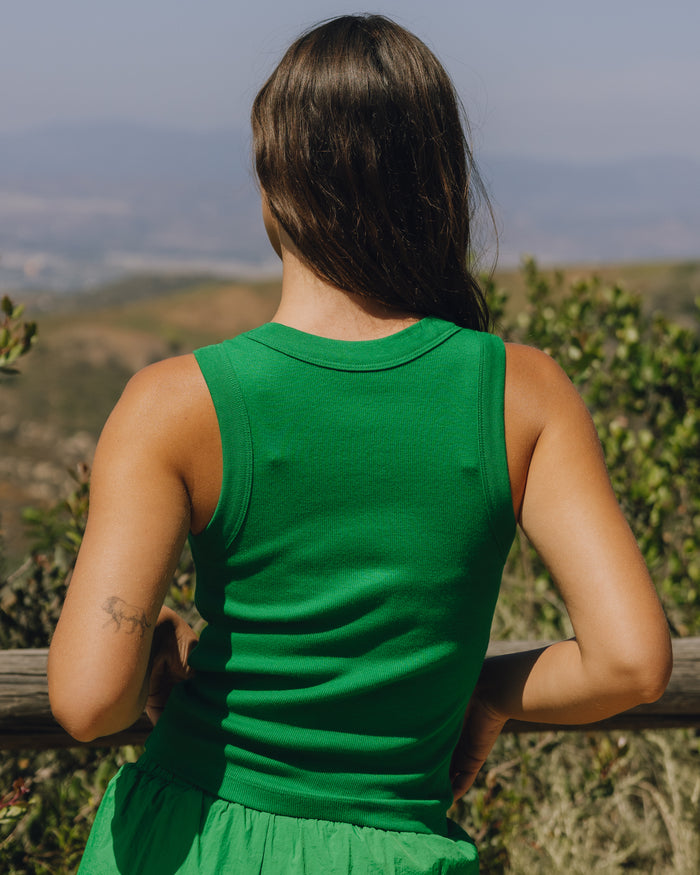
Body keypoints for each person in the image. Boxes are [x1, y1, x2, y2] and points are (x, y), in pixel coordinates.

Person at [48, 14, 672, 874]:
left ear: (272, 184)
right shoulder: (524, 395)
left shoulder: (172, 403)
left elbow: (88, 703)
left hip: (188, 838)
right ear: (439, 182)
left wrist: (149, 633)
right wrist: (490, 690)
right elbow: (632, 662)